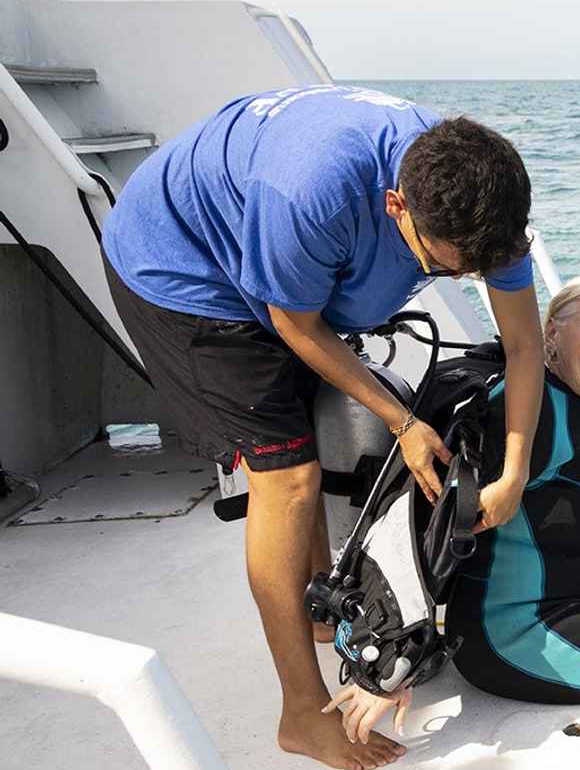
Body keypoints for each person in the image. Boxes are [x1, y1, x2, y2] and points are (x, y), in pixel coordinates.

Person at [101, 85, 546, 770]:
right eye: (446, 265)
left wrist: (513, 472)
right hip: (183, 269)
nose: (464, 277)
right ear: (397, 205)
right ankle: (301, 714)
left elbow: (523, 345)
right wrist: (401, 422)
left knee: (304, 429)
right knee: (289, 475)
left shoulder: (485, 205)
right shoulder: (312, 192)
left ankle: (315, 612)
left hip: (280, 257)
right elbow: (293, 323)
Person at [324, 275, 580, 770]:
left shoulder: (569, 398)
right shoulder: (529, 414)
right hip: (515, 629)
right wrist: (387, 662)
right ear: (550, 334)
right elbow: (432, 524)